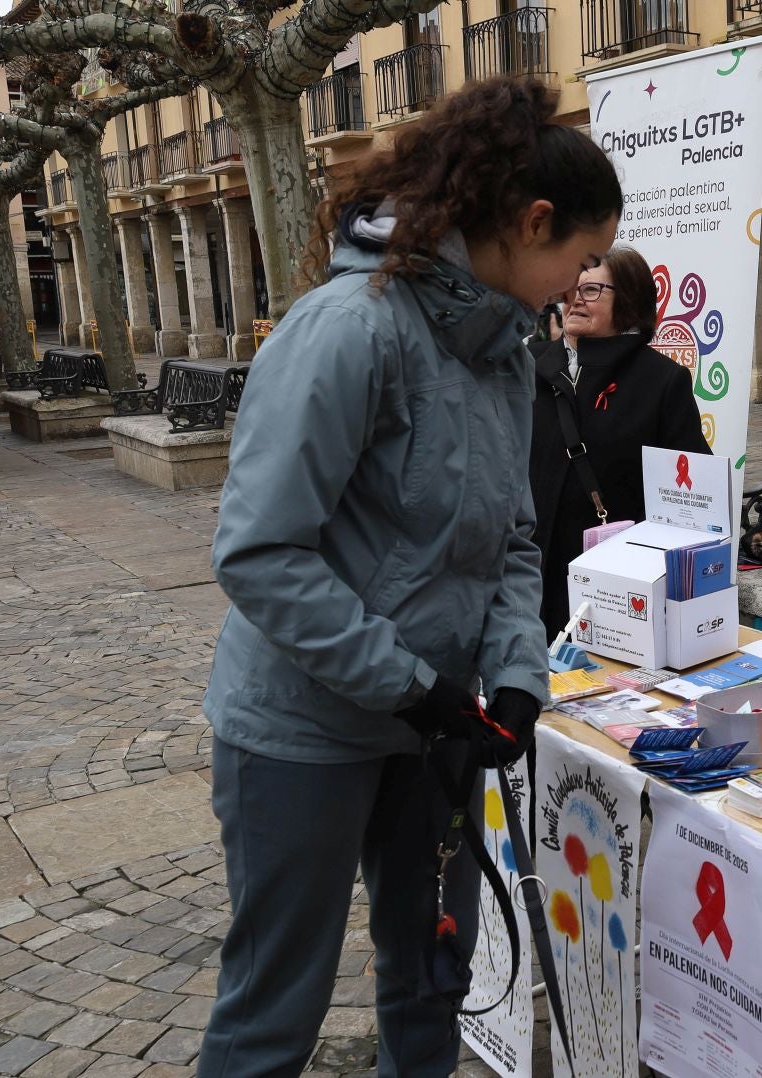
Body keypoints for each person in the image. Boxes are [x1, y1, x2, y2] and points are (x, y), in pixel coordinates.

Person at [196, 77, 621, 1078]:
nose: (582, 281)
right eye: (583, 257)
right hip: (301, 732)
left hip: (429, 732)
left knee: (434, 976)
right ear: (530, 222)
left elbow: (514, 536)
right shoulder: (350, 329)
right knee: (273, 1009)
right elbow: (259, 552)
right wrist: (413, 687)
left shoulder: (507, 352)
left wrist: (515, 668)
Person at [528, 246, 711, 636]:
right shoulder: (528, 367)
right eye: (570, 288)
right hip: (530, 570)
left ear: (628, 300)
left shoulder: (661, 381)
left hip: (617, 584)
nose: (575, 299)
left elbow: (689, 498)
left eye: (592, 290)